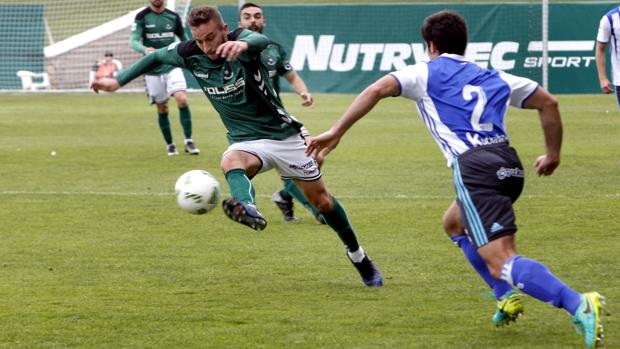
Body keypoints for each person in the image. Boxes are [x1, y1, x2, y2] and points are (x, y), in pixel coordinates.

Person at [306, 10, 606, 347]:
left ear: (431, 45)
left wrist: (336, 131)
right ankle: (504, 295)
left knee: (502, 258)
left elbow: (377, 89)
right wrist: (552, 155)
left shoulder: (425, 72)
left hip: (475, 169)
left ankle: (577, 303)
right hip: (510, 164)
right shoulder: (492, 74)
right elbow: (548, 103)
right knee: (453, 223)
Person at [91, 6, 383, 287]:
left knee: (323, 203)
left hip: (283, 136)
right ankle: (247, 207)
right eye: (199, 40)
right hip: (245, 140)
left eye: (211, 38)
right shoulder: (191, 54)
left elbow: (260, 40)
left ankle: (358, 255)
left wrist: (242, 47)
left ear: (225, 30)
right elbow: (154, 59)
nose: (206, 47)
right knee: (231, 161)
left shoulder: (242, 42)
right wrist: (117, 81)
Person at [238, 2, 325, 224]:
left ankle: (284, 196)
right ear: (240, 23)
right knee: (293, 165)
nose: (253, 21)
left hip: (277, 116)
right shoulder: (232, 50)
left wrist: (303, 92)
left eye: (257, 16)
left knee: (316, 157)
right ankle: (318, 210)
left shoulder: (274, 48)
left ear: (264, 21)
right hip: (251, 122)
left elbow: (292, 76)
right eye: (247, 17)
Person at [131, 0, 199, 156]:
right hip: (152, 69)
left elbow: (184, 38)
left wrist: (193, 55)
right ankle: (170, 144)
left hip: (171, 65)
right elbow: (133, 40)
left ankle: (188, 140)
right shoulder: (142, 17)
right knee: (163, 107)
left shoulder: (173, 17)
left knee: (182, 99)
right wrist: (144, 49)